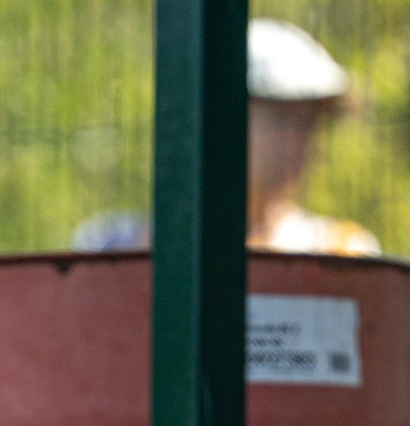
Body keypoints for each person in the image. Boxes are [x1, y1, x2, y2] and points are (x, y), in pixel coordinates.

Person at [72, 18, 379, 256]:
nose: (299, 139)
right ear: (214, 116)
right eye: (282, 116)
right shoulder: (111, 248)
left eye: (310, 121)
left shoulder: (344, 253)